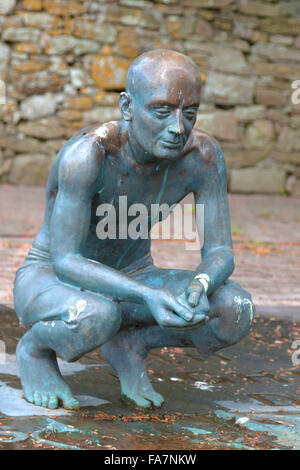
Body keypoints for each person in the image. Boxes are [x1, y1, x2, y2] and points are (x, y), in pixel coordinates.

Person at [14, 49, 255, 410]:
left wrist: (199, 284)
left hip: (133, 276)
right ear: (127, 107)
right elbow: (65, 260)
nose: (177, 128)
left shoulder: (202, 157)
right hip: (54, 280)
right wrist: (147, 295)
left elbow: (220, 252)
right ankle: (34, 351)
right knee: (99, 315)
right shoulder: (88, 155)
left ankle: (131, 345)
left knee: (235, 308)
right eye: (161, 112)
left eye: (189, 113)